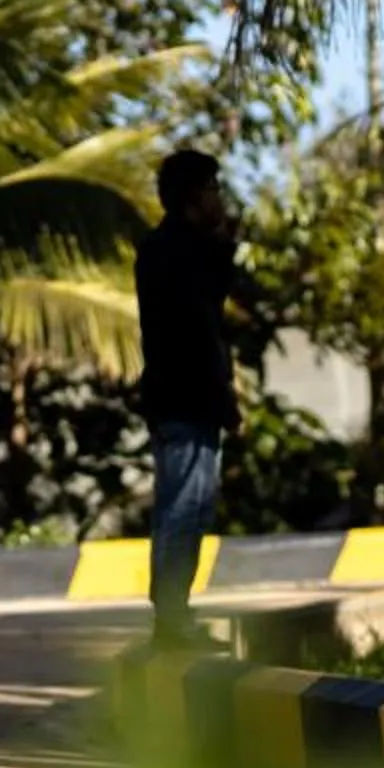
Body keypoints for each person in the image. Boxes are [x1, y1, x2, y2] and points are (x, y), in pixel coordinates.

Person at [132, 147, 258, 648]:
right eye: (212, 190)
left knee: (186, 509)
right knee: (183, 510)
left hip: (182, 398)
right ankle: (172, 622)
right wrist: (224, 396)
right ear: (193, 197)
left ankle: (173, 617)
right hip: (186, 398)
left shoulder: (176, 249)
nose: (220, 199)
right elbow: (199, 328)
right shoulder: (177, 253)